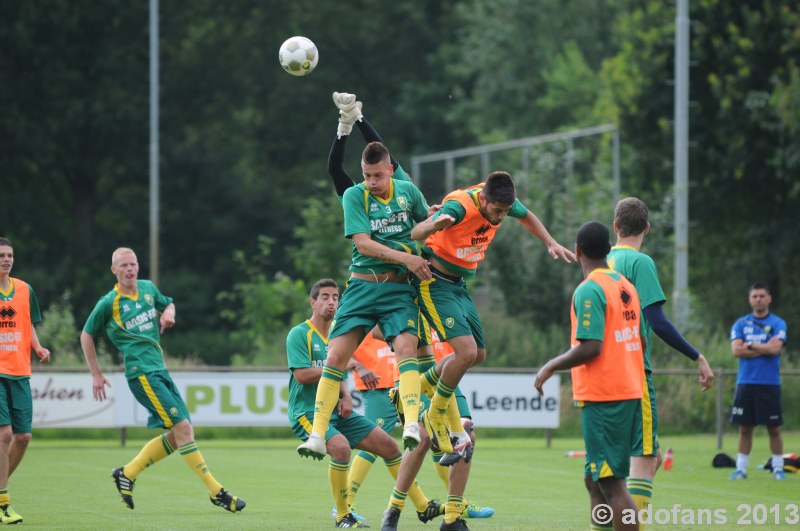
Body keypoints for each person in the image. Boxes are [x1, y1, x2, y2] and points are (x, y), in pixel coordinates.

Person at [296, 108, 434, 460]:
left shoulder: (406, 189)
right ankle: (316, 434)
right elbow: (362, 243)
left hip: (398, 289)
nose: (371, 181)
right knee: (336, 356)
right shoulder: (354, 194)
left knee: (407, 349)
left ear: (390, 170)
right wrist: (346, 125)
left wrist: (438, 220)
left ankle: (412, 423)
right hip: (361, 286)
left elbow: (424, 225)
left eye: (377, 175)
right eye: (366, 175)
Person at [410, 170, 574, 466]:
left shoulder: (503, 203)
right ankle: (435, 412)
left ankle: (418, 386)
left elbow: (527, 216)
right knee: (466, 352)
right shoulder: (459, 206)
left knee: (478, 355)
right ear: (483, 199)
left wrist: (549, 241)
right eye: (497, 212)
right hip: (433, 282)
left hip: (458, 285)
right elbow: (417, 233)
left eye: (506, 212)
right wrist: (435, 224)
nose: (500, 218)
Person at [80, 247, 245, 513]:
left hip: (160, 370)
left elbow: (168, 302)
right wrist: (96, 374)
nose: (130, 269)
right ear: (114, 270)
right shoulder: (108, 303)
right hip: (141, 373)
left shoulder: (147, 288)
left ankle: (128, 473)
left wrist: (169, 312)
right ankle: (216, 492)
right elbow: (86, 335)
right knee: (184, 429)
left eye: (133, 264)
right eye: (123, 265)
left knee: (182, 431)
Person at [288, 279, 440, 528]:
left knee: (389, 446)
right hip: (307, 412)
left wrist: (345, 394)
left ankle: (423, 506)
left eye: (335, 297)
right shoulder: (299, 333)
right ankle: (342, 515)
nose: (331, 302)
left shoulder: (339, 333)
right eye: (325, 297)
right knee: (341, 448)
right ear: (312, 303)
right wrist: (339, 366)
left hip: (336, 410)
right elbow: (302, 375)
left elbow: (336, 373)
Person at [607, 197, 715, 512]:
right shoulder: (640, 263)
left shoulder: (601, 263)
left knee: (626, 461)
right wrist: (697, 356)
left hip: (603, 374)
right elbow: (657, 321)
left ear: (616, 227)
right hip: (633, 372)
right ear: (648, 228)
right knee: (645, 458)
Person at [534, 221, 643, 531]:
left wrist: (550, 365)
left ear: (578, 250)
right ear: (608, 250)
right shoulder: (625, 286)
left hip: (606, 395)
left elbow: (591, 347)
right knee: (593, 479)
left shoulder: (590, 289)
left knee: (612, 485)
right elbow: (641, 339)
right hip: (625, 390)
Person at [0, 237, 51, 525]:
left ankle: (0, 486)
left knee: (23, 437)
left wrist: (38, 347)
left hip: (20, 371)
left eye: (9, 255)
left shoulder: (24, 289)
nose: (6, 259)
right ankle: (3, 502)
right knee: (4, 434)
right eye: (1, 255)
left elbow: (27, 321)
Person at [728, 282, 787, 481]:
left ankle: (778, 468)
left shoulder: (778, 323)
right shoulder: (740, 324)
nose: (759, 299)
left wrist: (750, 345)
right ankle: (741, 469)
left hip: (770, 384)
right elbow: (736, 350)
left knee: (774, 428)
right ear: (750, 299)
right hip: (746, 383)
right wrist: (763, 347)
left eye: (762, 296)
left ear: (769, 298)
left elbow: (775, 350)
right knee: (744, 428)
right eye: (755, 296)